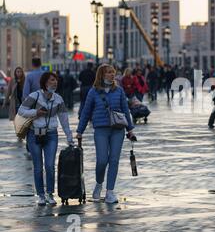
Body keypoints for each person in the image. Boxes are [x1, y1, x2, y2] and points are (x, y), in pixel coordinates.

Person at [76, 65, 135, 204]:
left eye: (113, 72)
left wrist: (130, 129)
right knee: (102, 160)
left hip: (118, 129)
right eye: (109, 72)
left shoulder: (119, 91)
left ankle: (110, 192)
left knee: (114, 160)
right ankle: (99, 183)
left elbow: (125, 110)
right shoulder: (93, 92)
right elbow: (86, 112)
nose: (112, 75)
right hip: (101, 129)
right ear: (101, 75)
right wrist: (80, 131)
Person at [18, 72, 73, 206]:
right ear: (45, 82)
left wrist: (69, 136)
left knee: (49, 165)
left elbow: (64, 119)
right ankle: (41, 195)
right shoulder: (34, 96)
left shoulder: (58, 99)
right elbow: (21, 111)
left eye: (56, 80)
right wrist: (35, 112)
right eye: (52, 80)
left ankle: (50, 193)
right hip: (34, 134)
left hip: (51, 134)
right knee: (38, 167)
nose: (55, 83)